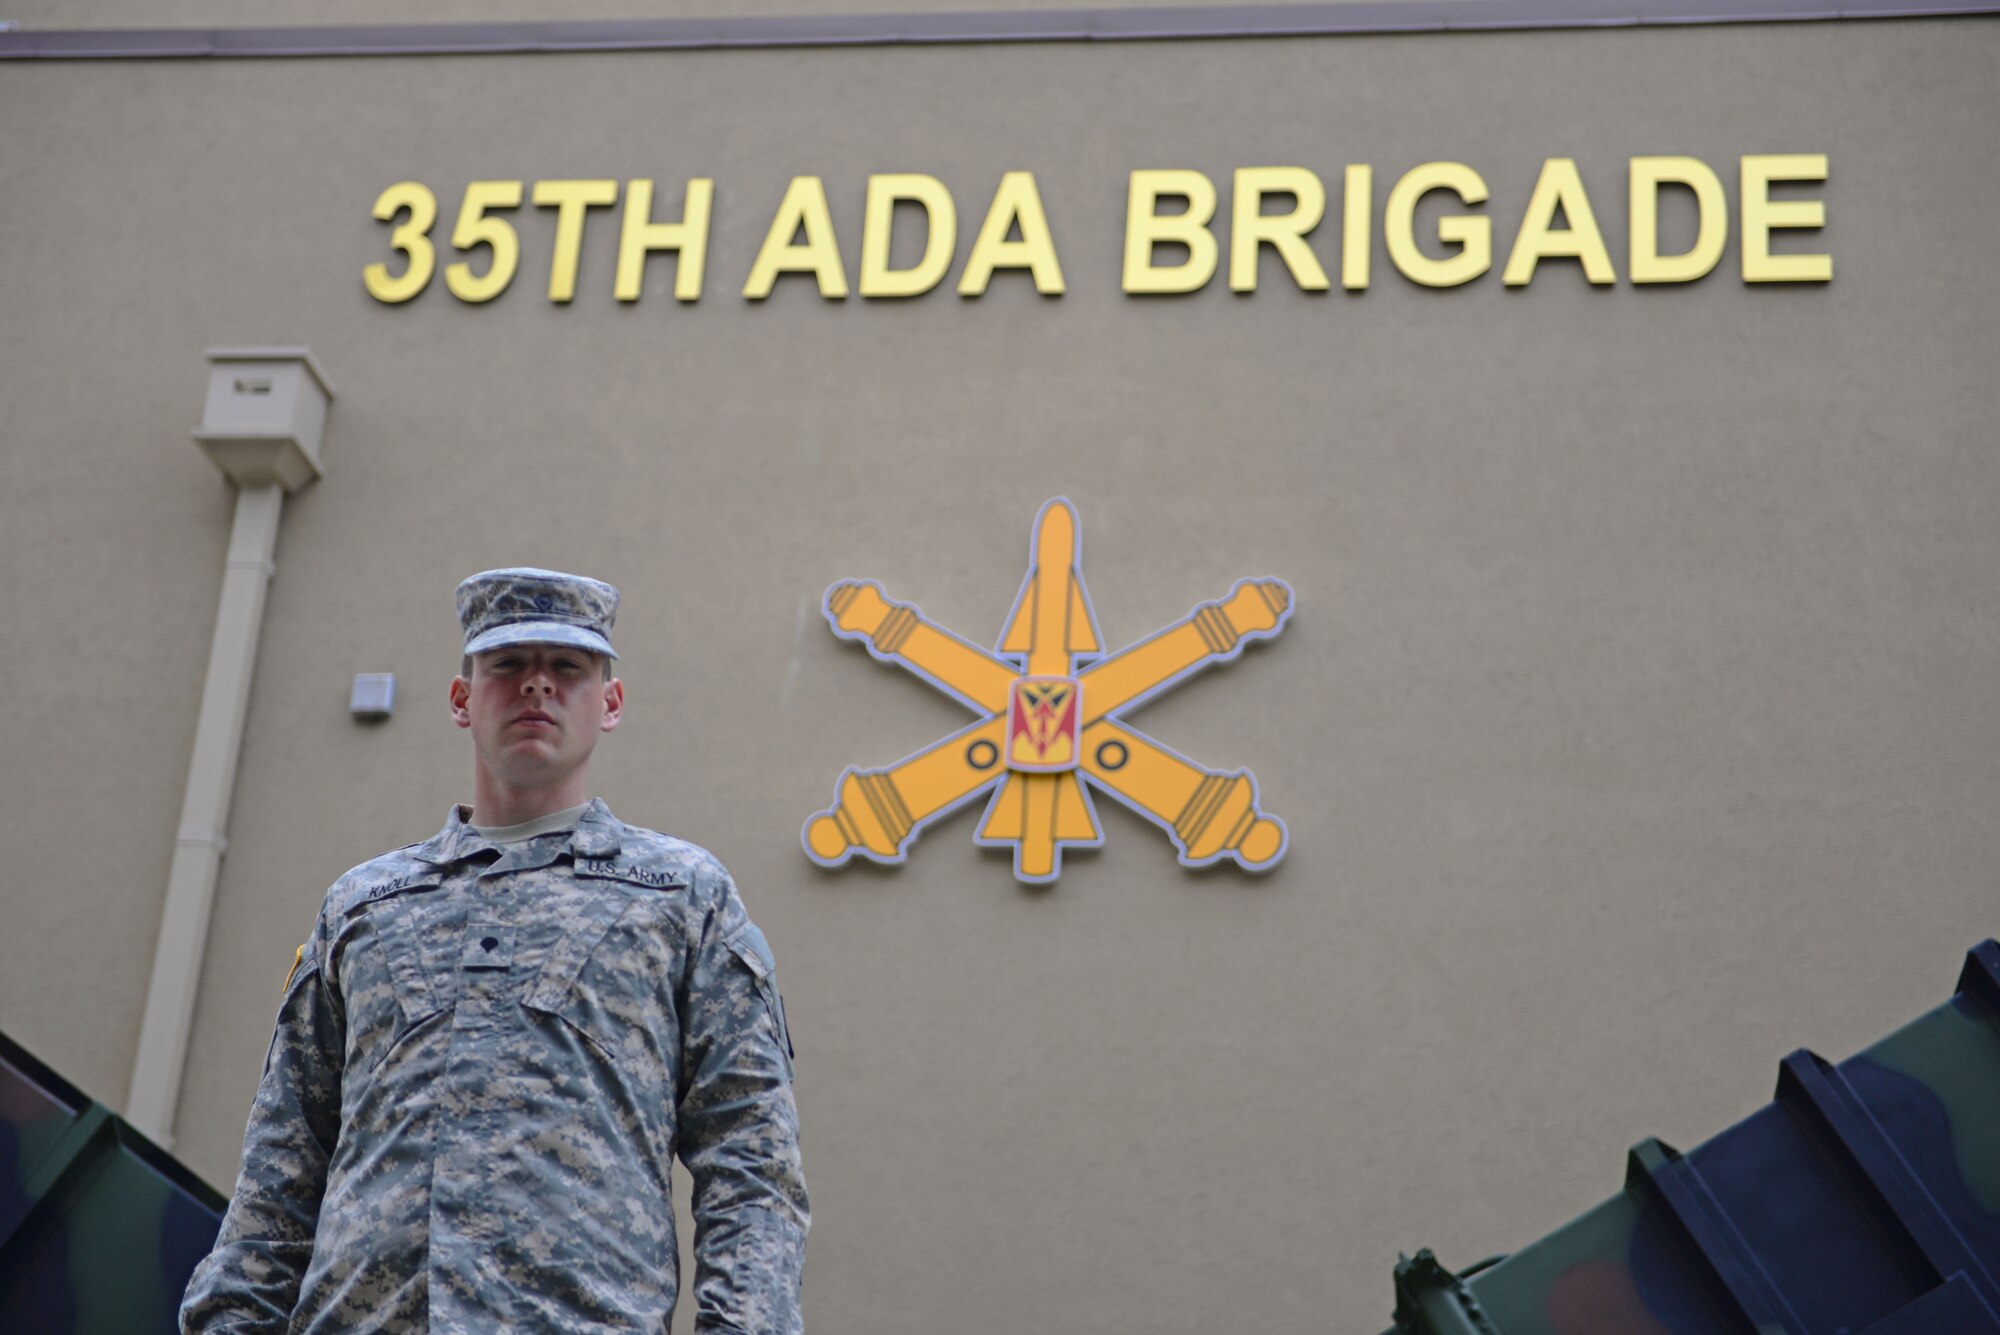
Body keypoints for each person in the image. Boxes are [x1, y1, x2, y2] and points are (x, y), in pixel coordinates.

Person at [181, 567, 808, 1334]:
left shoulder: (682, 896)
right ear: (460, 699)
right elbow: (282, 1162)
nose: (537, 686)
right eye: (507, 665)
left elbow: (752, 1164)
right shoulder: (365, 905)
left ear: (609, 703)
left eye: (567, 669)